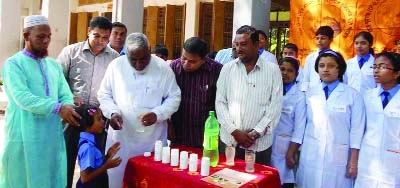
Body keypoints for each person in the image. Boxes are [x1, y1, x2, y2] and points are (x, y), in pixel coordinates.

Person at [0, 15, 80, 188]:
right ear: (26, 36)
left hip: (50, 134)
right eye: (40, 36)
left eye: (49, 36)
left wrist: (67, 106)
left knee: (49, 176)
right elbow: (22, 97)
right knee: (22, 178)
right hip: (23, 133)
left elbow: (65, 94)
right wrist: (58, 108)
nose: (46, 41)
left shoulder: (53, 65)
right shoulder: (14, 64)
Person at [97, 33, 181, 187]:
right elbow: (104, 94)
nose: (138, 64)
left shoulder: (162, 68)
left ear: (149, 50)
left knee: (150, 180)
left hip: (152, 140)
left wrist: (158, 114)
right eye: (133, 59)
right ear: (126, 53)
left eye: (143, 59)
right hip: (121, 138)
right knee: (117, 180)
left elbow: (174, 97)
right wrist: (112, 113)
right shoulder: (116, 66)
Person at [57, 16, 120, 188]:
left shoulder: (114, 58)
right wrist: (69, 98)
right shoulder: (70, 52)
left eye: (105, 38)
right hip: (73, 117)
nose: (101, 41)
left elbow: (115, 88)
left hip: (96, 121)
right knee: (66, 162)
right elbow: (57, 81)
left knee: (94, 164)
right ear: (88, 32)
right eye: (96, 36)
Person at [296, 51, 365, 188]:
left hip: (339, 155)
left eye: (331, 66)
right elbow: (300, 125)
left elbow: (357, 130)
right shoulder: (309, 93)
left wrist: (353, 161)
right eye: (321, 66)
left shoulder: (353, 95)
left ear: (339, 69)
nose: (325, 69)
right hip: (312, 152)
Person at [216, 25, 282, 165]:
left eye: (244, 44)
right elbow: (220, 103)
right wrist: (234, 131)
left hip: (259, 145)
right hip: (230, 141)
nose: (238, 49)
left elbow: (275, 107)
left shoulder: (272, 70)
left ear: (257, 45)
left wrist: (255, 133)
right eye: (236, 44)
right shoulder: (227, 69)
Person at [355, 52, 400, 188]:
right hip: (368, 158)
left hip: (394, 160)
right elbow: (359, 128)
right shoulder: (366, 96)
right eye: (374, 67)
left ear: (397, 73)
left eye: (382, 67)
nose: (375, 70)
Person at [169, 37, 223, 148]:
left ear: (204, 59)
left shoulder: (216, 70)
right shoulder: (172, 69)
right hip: (178, 132)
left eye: (192, 61)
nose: (186, 64)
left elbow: (222, 103)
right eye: (183, 58)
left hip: (205, 134)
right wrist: (168, 125)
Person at [271, 57, 306, 188]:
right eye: (282, 69)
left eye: (290, 71)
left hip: (286, 147)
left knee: (284, 181)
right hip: (268, 143)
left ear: (296, 75)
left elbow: (299, 128)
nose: (285, 73)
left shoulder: (299, 96)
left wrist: (291, 152)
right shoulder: (271, 89)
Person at [75, 105, 122, 188]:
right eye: (99, 119)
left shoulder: (92, 141)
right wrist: (107, 166)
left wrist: (107, 156)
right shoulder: (87, 146)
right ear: (87, 124)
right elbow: (84, 178)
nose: (103, 121)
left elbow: (96, 164)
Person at [301, 26, 334, 91]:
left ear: (330, 39)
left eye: (323, 38)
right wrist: (305, 92)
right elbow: (306, 78)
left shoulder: (335, 57)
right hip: (312, 92)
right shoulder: (310, 57)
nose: (319, 41)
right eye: (317, 38)